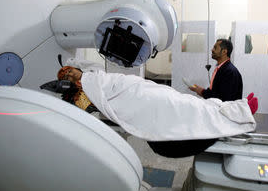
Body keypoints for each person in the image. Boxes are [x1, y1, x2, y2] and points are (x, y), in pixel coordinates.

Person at [55, 64, 256, 158]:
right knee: (179, 106)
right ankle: (234, 112)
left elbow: (119, 83)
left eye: (71, 71)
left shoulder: (96, 76)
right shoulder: (83, 93)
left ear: (76, 68)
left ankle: (231, 110)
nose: (72, 76)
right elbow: (94, 103)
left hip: (141, 90)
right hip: (141, 99)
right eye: (68, 77)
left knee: (179, 101)